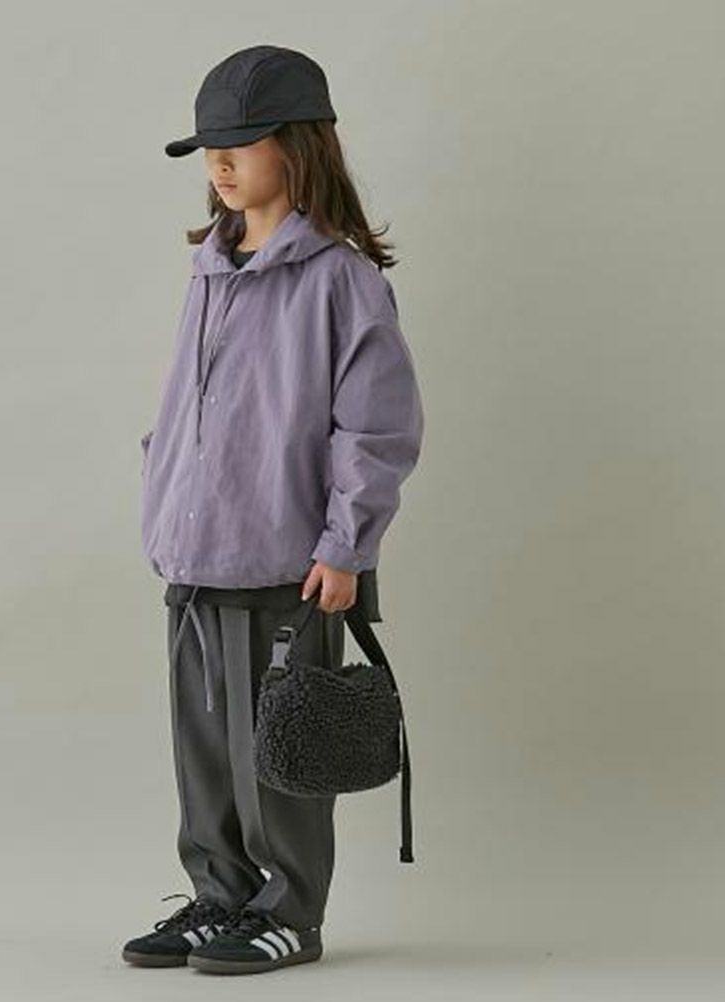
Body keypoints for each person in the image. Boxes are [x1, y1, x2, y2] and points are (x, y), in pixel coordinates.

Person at [122, 44, 424, 976]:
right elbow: (189, 405)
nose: (219, 163)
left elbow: (374, 429)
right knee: (205, 751)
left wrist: (346, 545)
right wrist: (164, 496)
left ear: (297, 146)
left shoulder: (340, 280)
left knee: (277, 754)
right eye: (208, 147)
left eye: (240, 143)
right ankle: (219, 895)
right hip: (195, 556)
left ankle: (290, 910)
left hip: (288, 562)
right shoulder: (210, 270)